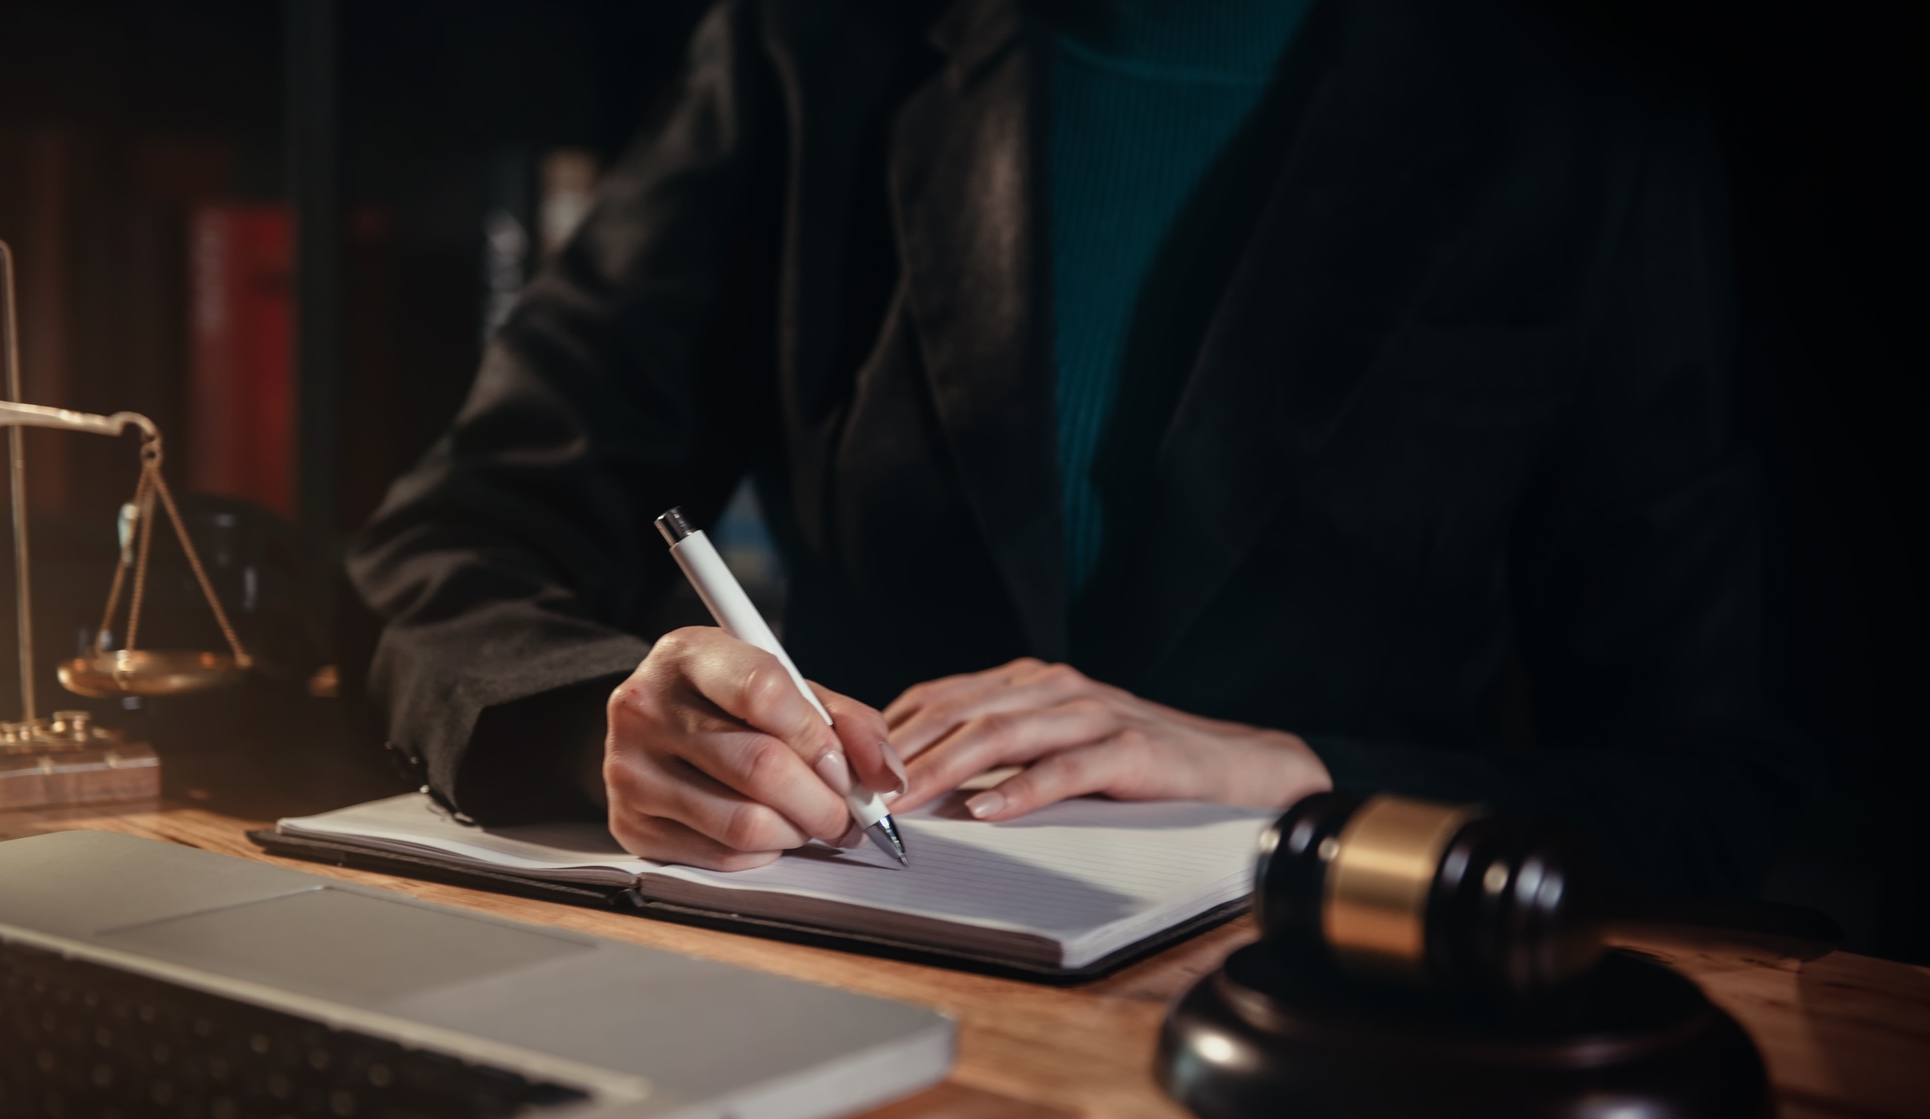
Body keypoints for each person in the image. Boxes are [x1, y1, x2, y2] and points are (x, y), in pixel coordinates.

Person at [349, 0, 1809, 899]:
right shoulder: (808, 54)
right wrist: (613, 719)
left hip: (1351, 1036)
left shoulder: (1589, 138)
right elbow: (451, 546)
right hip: (852, 984)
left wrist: (1288, 771)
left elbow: (1714, 792)